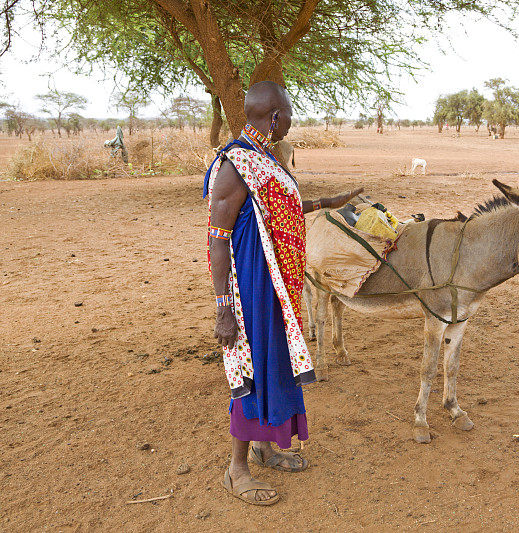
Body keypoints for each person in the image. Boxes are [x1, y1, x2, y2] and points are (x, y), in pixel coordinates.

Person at [204, 81, 363, 505]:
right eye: (290, 113)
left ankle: (264, 446)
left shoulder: (266, 159)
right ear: (275, 116)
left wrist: (329, 201)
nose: (292, 120)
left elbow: (281, 208)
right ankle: (236, 470)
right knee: (251, 369)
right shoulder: (237, 163)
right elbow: (217, 239)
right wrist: (224, 308)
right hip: (252, 289)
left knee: (275, 365)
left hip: (278, 287)